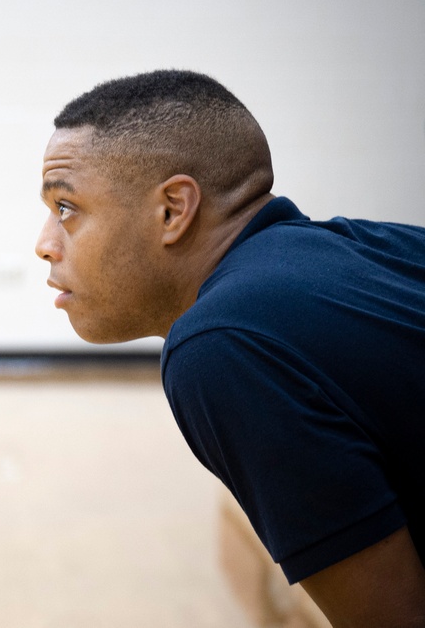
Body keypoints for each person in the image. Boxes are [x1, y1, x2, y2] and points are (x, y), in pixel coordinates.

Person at [35, 69, 425, 624]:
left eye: (66, 207)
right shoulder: (373, 245)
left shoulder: (218, 345)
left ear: (172, 210)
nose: (44, 244)